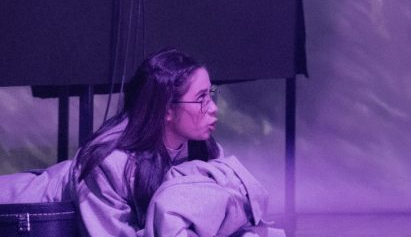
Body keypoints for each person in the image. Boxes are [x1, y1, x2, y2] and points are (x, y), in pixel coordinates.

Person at [73, 49, 277, 236]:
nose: (213, 108)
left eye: (210, 94)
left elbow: (225, 217)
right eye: (201, 98)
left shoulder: (205, 150)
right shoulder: (107, 164)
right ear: (167, 109)